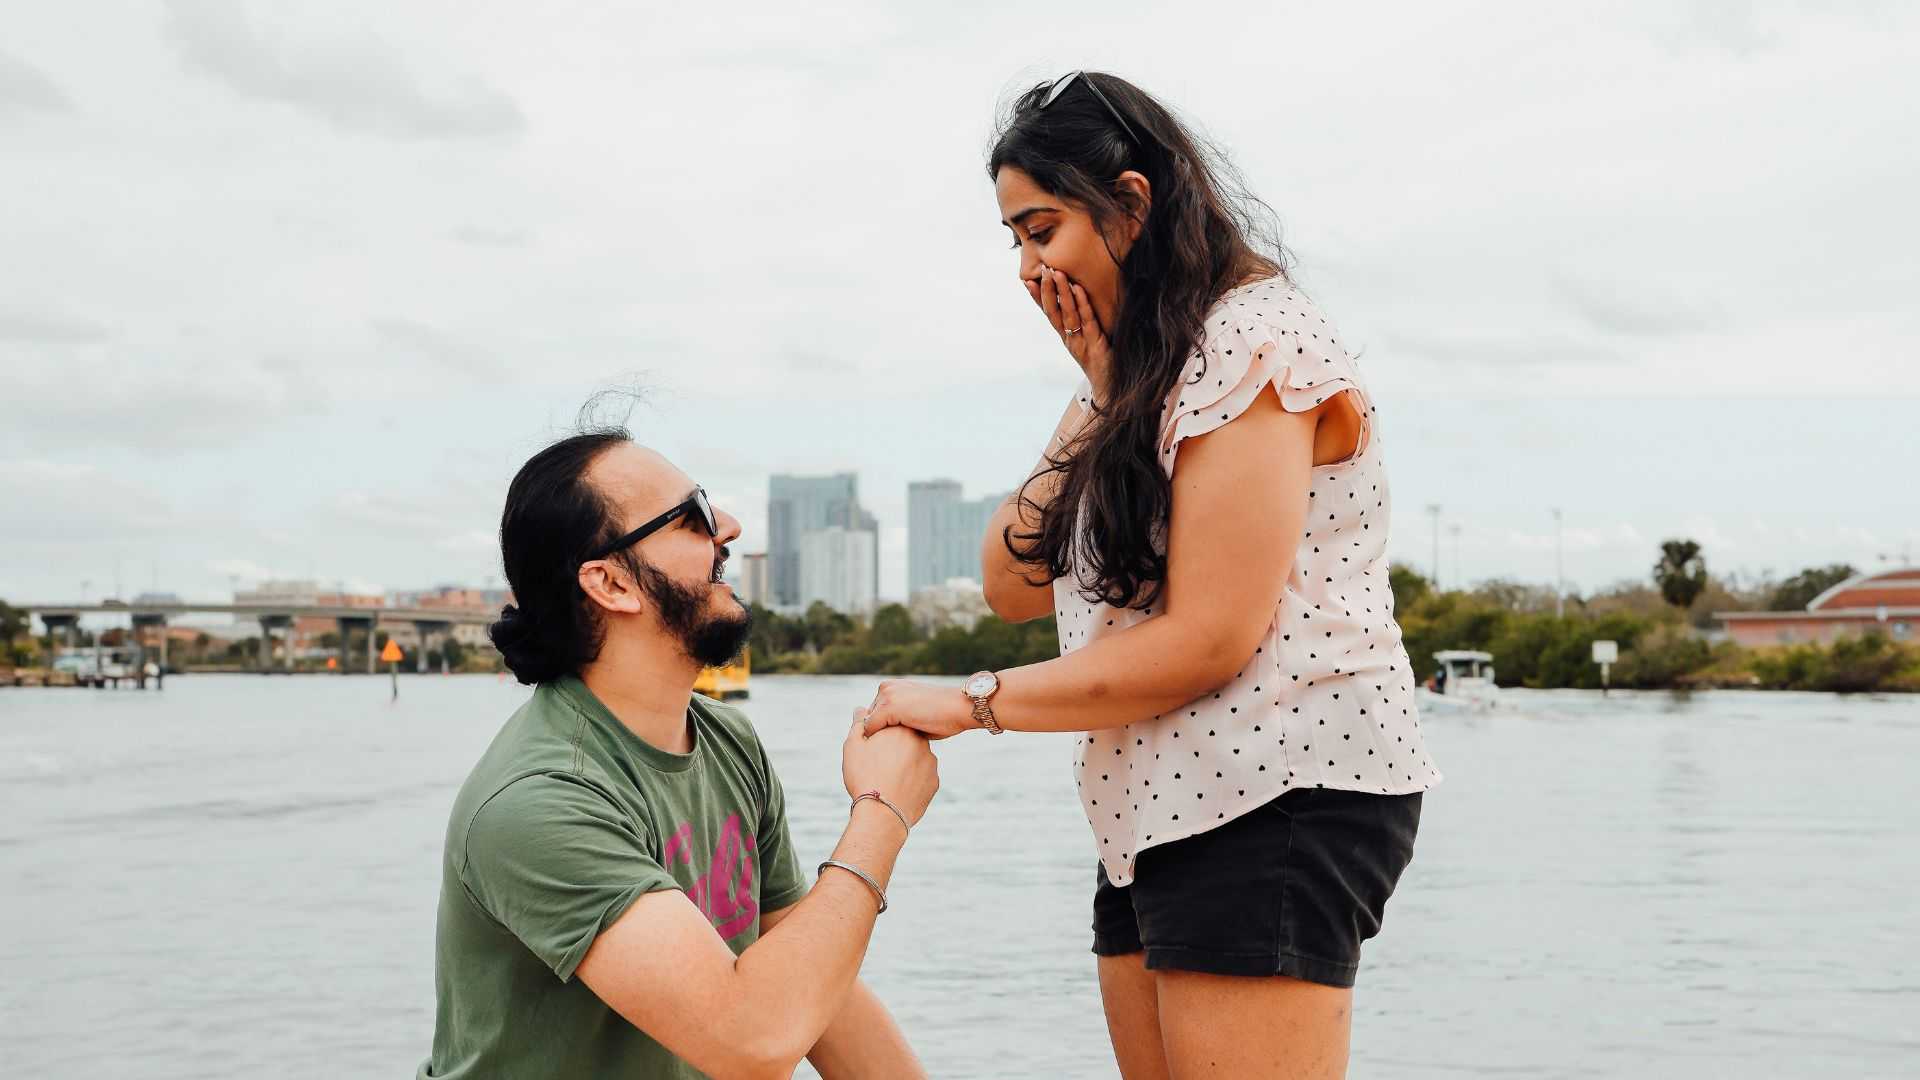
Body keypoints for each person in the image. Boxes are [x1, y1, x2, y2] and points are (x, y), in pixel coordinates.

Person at [860, 72, 1442, 1079]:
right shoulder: (1147, 372)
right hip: (1158, 806)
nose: (1029, 267)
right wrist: (1102, 391)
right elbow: (1010, 583)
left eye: (1042, 229)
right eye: (1015, 240)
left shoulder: (1253, 337)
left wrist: (970, 704)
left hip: (1278, 785)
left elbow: (1211, 638)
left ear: (1131, 202)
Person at [420, 429, 936, 1080]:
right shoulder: (539, 800)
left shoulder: (727, 741)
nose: (731, 529)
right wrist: (881, 815)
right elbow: (751, 1037)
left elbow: (812, 986)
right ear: (611, 583)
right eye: (693, 517)